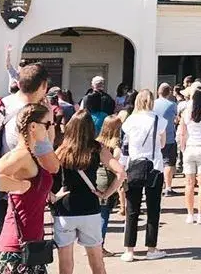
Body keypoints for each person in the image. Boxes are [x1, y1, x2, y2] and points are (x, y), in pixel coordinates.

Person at [52, 110, 125, 274]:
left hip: (65, 207)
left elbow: (46, 175)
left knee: (65, 265)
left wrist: (52, 196)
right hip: (90, 207)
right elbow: (121, 173)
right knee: (97, 263)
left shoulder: (61, 149)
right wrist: (106, 194)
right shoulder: (97, 148)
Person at [0, 102, 55, 274]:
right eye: (48, 124)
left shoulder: (31, 154)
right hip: (16, 248)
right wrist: (18, 186)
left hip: (31, 246)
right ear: (33, 126)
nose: (50, 128)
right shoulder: (21, 155)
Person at [120, 89, 167, 261]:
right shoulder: (158, 120)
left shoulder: (130, 120)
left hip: (134, 165)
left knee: (132, 209)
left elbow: (125, 146)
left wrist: (122, 168)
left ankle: (129, 250)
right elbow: (162, 144)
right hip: (154, 166)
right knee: (153, 209)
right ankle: (151, 248)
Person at [2, 64, 60, 179]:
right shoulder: (35, 117)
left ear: (19, 84)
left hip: (4, 180)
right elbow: (52, 166)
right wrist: (49, 121)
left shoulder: (5, 103)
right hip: (25, 187)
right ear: (44, 85)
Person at [177, 86, 201, 224]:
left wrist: (183, 148)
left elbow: (182, 133)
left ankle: (190, 214)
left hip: (189, 148)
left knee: (189, 183)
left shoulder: (185, 112)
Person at [96, 114, 124, 255]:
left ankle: (92, 245)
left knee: (95, 215)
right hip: (107, 179)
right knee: (104, 216)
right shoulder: (116, 143)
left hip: (95, 178)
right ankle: (99, 247)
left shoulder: (97, 141)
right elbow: (118, 157)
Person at [152, 83, 179, 196]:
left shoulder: (152, 104)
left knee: (155, 161)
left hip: (154, 137)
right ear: (169, 92)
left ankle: (155, 183)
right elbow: (176, 119)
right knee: (168, 163)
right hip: (168, 137)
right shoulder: (172, 105)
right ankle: (168, 187)